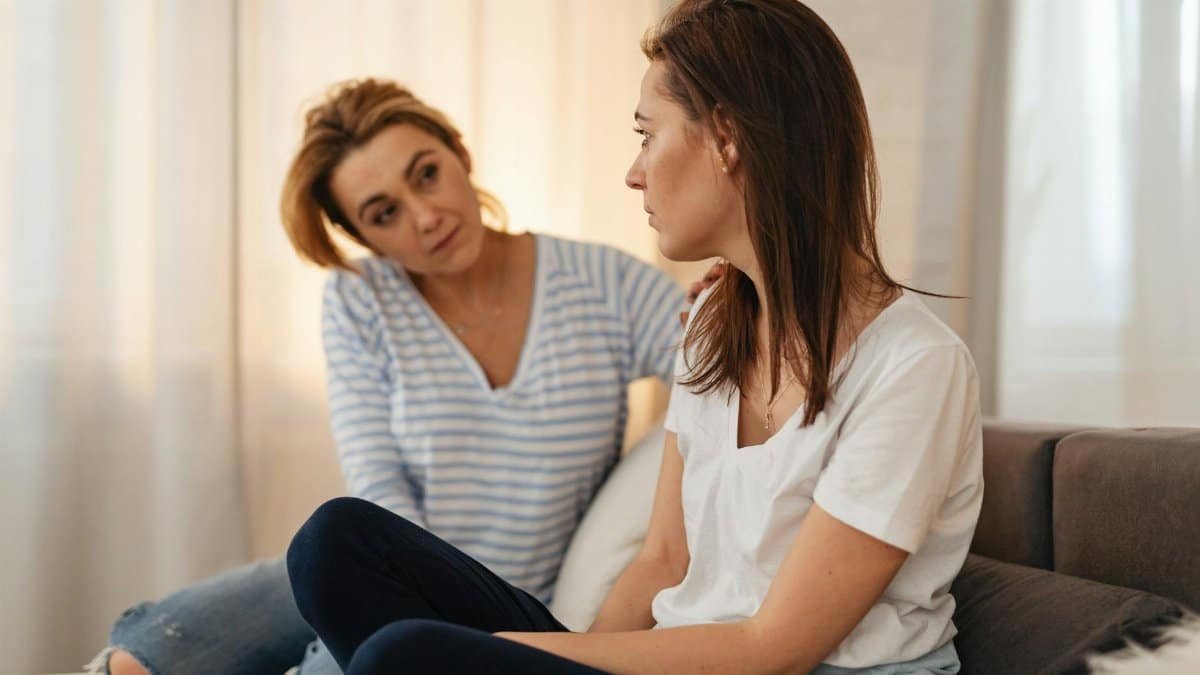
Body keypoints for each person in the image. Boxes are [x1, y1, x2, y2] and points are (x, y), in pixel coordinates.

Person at [284, 0, 984, 673]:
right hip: (679, 655)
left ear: (728, 138)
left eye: (647, 135)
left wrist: (492, 656)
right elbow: (662, 560)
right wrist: (522, 661)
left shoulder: (914, 366)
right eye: (383, 213)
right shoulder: (713, 327)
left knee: (399, 656)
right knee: (332, 542)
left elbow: (775, 650)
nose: (633, 172)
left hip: (776, 666)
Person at [89, 78, 690, 675]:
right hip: (379, 572)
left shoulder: (602, 284)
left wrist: (729, 296)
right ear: (362, 238)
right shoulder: (360, 300)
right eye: (385, 213)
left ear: (458, 153)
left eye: (426, 174)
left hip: (497, 606)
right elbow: (377, 488)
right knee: (135, 662)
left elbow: (715, 358)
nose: (425, 217)